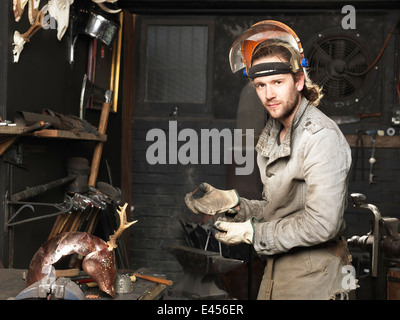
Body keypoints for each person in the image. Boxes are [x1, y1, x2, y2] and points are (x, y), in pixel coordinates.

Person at [185, 20, 357, 300]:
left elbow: (323, 224)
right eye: (260, 85)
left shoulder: (320, 137)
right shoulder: (275, 131)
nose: (268, 95)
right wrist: (234, 204)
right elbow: (279, 210)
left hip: (315, 277)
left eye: (278, 82)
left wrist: (251, 233)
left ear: (299, 81)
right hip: (278, 268)